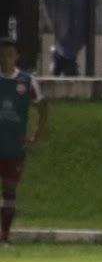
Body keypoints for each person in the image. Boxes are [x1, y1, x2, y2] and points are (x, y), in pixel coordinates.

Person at [0, 37, 48, 245]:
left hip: (14, 147)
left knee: (10, 190)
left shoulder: (27, 81)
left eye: (9, 54)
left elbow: (43, 108)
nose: (5, 59)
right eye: (1, 55)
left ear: (17, 57)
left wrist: (36, 133)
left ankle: (4, 236)